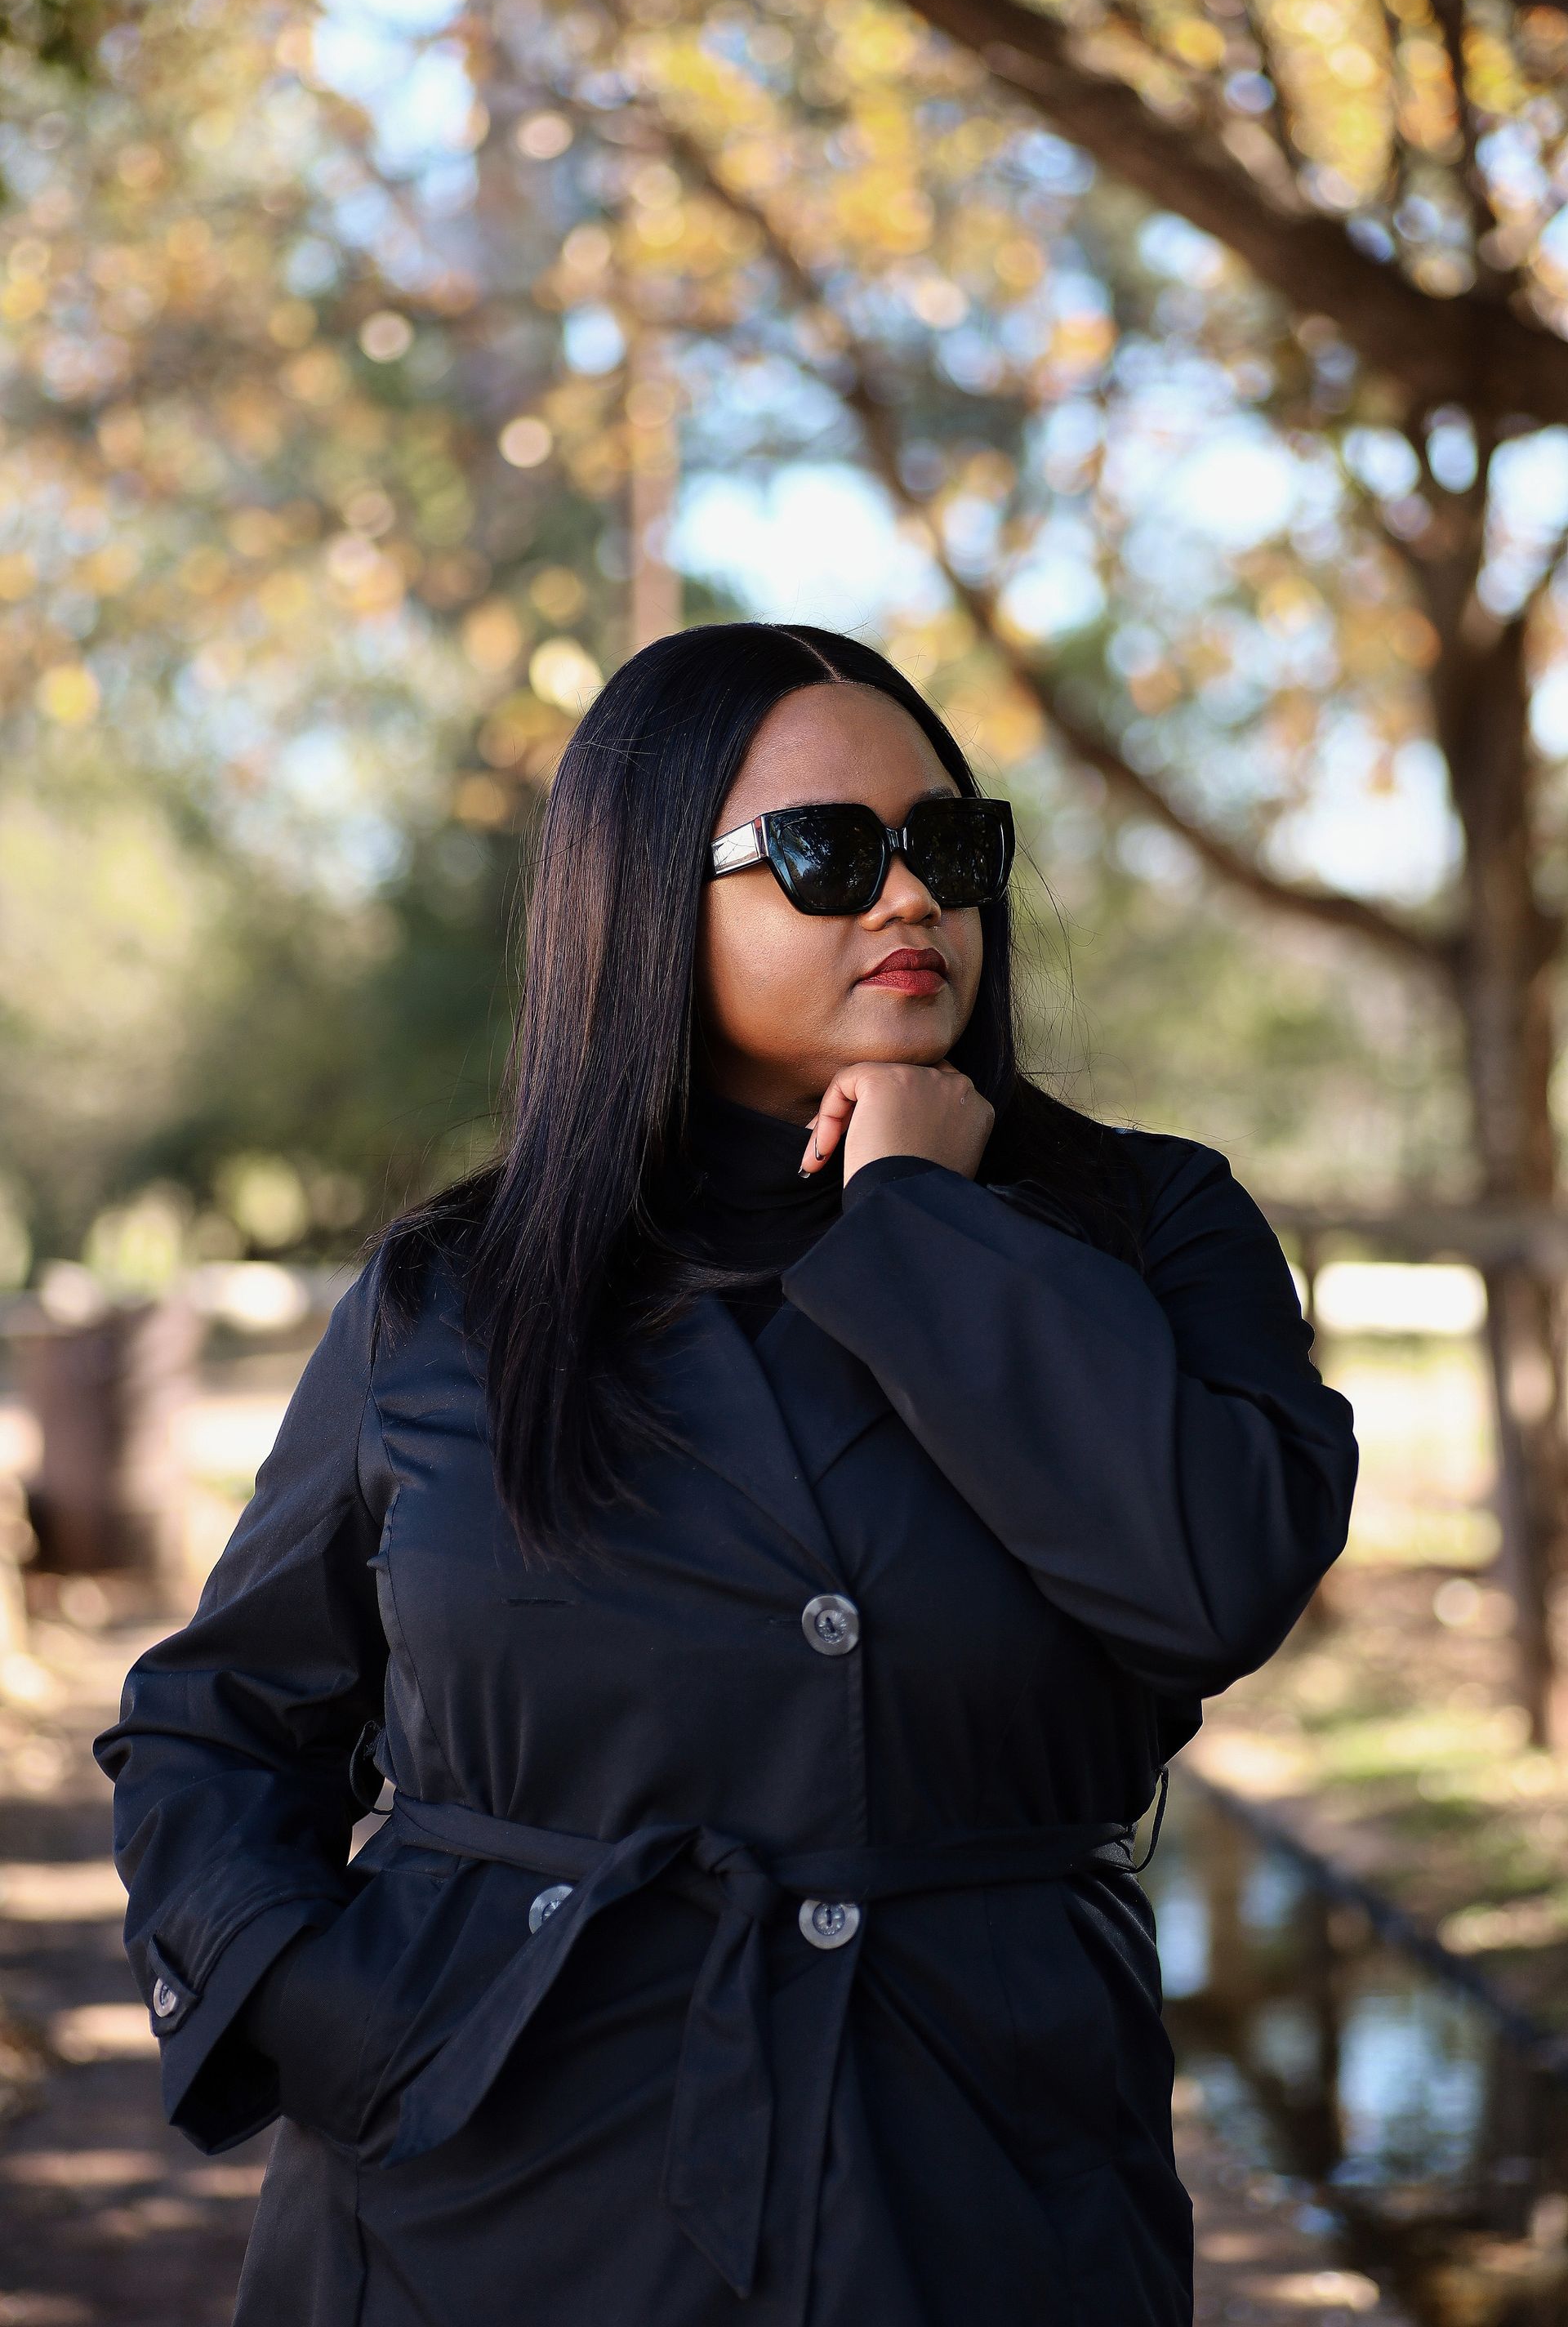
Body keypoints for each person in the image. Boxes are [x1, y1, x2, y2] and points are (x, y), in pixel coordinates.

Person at [96, 621, 1357, 2327]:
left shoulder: (1147, 1225)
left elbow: (1214, 1575)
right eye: (827, 854)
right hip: (491, 2199)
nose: (909, 898)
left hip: (977, 2197)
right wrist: (328, 2018)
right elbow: (218, 1720)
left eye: (949, 845)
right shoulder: (455, 1295)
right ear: (641, 902)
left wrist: (923, 1221)